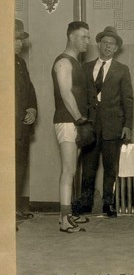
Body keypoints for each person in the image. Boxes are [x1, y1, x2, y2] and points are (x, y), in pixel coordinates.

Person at [73, 26, 133, 218]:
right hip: (90, 126)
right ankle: (85, 203)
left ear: (116, 48)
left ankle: (109, 203)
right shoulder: (85, 67)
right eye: (105, 43)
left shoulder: (122, 70)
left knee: (110, 167)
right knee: (88, 167)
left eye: (112, 44)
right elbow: (79, 96)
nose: (108, 47)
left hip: (113, 126)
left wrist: (127, 125)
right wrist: (80, 122)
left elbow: (128, 100)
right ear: (99, 45)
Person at [52, 21, 92, 233]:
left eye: (88, 37)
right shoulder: (63, 62)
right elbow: (66, 94)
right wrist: (79, 119)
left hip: (74, 121)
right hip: (67, 121)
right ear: (71, 38)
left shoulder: (75, 62)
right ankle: (65, 219)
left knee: (72, 169)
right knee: (68, 170)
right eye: (83, 37)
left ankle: (65, 216)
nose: (87, 41)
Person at [15, 19, 37, 225]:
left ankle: (14, 209)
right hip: (8, 128)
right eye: (16, 39)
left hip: (21, 128)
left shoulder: (20, 63)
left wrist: (32, 108)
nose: (19, 43)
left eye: (21, 39)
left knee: (19, 168)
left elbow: (29, 90)